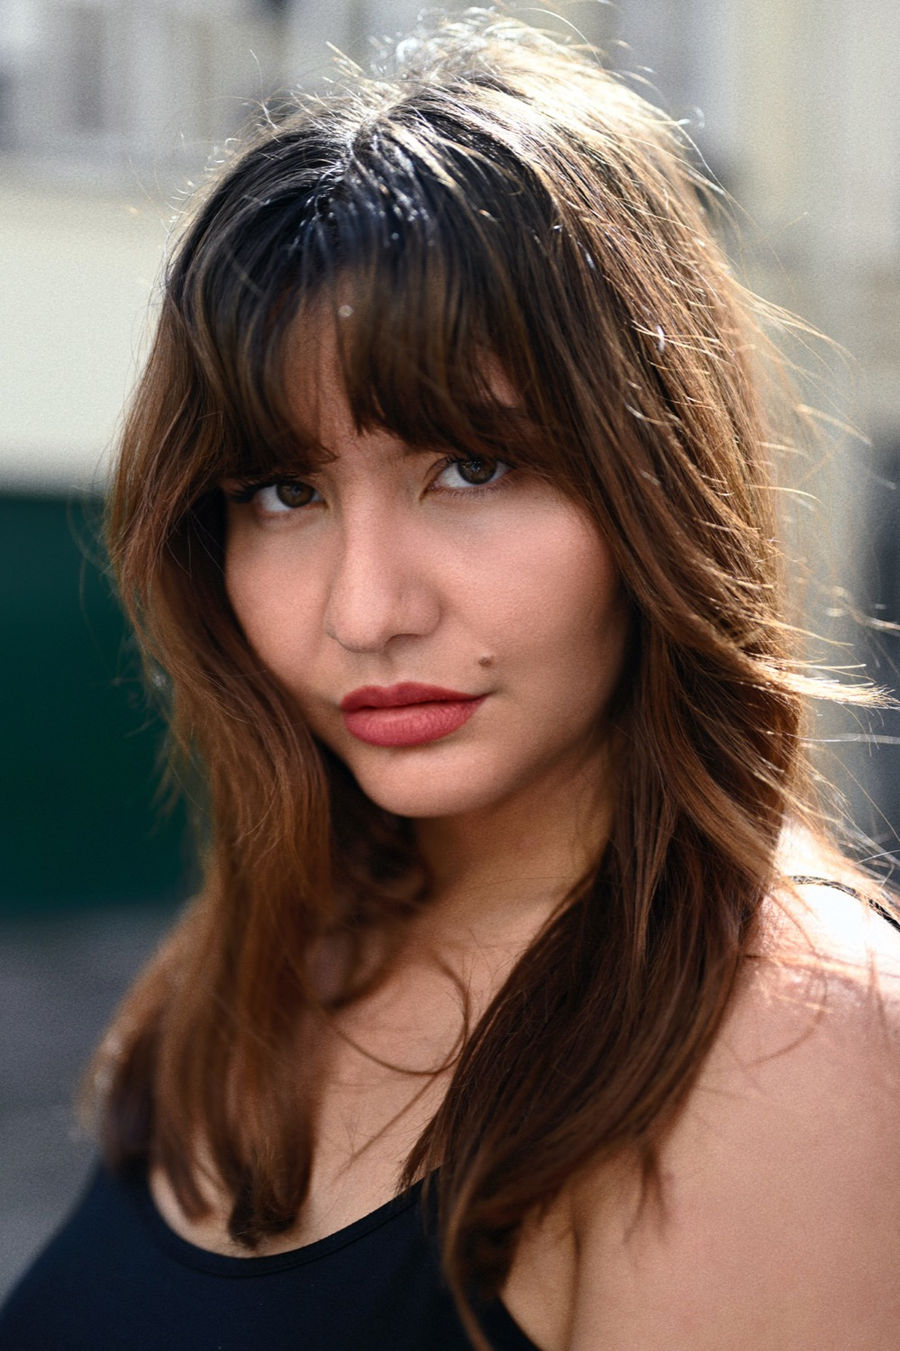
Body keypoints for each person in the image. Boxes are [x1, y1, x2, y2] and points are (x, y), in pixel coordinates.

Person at [2, 10, 899, 1349]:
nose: (368, 612)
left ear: (655, 487)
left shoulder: (789, 1049)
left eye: (473, 469)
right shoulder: (278, 935)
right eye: (283, 491)